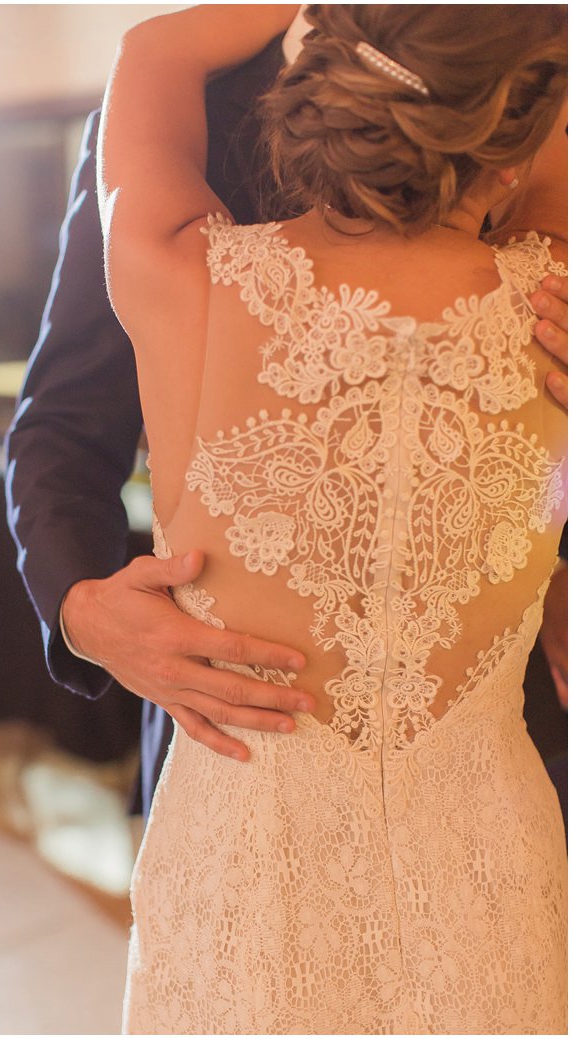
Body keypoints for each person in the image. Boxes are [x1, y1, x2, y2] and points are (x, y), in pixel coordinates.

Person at [97, 3, 567, 1033]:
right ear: (522, 136)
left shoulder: (187, 282)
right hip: (490, 881)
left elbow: (152, 50)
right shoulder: (555, 303)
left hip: (246, 886)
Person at [6, 5, 569, 820]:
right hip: (228, 734)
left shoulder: (541, 90)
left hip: (505, 736)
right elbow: (61, 424)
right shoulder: (200, 104)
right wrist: (83, 607)